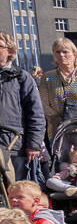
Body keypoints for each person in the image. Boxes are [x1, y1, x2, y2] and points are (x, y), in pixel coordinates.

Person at [38, 38, 77, 144]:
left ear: (74, 53)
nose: (61, 55)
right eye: (57, 52)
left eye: (65, 52)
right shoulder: (47, 77)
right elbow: (44, 104)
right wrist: (64, 125)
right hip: (59, 131)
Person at [0, 33, 44, 182]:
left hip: (13, 145)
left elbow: (36, 113)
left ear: (10, 51)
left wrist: (33, 144)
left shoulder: (21, 77)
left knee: (14, 193)